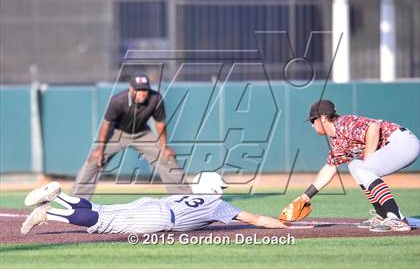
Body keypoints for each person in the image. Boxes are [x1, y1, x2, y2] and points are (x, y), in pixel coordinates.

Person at [21, 173, 288, 235]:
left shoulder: (188, 194)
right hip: (159, 219)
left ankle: (60, 197)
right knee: (102, 222)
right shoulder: (216, 204)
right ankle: (50, 213)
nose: (223, 191)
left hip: (154, 204)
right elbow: (255, 219)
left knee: (101, 211)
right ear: (213, 187)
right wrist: (284, 225)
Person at [296, 100, 419, 232]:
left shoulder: (344, 123)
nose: (312, 125)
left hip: (403, 143)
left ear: (324, 118)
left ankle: (397, 218)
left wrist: (368, 161)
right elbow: (330, 168)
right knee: (355, 166)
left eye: (313, 120)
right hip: (396, 145)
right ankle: (383, 214)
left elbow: (373, 127)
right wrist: (305, 197)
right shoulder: (336, 139)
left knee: (364, 169)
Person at [71, 73, 190, 198]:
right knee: (95, 159)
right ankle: (76, 200)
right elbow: (106, 125)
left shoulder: (155, 98)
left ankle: (185, 199)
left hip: (142, 133)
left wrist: (164, 147)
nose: (142, 93)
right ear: (131, 89)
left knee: (167, 158)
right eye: (138, 89)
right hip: (117, 133)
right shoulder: (118, 101)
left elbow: (160, 124)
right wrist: (100, 149)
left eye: (145, 89)